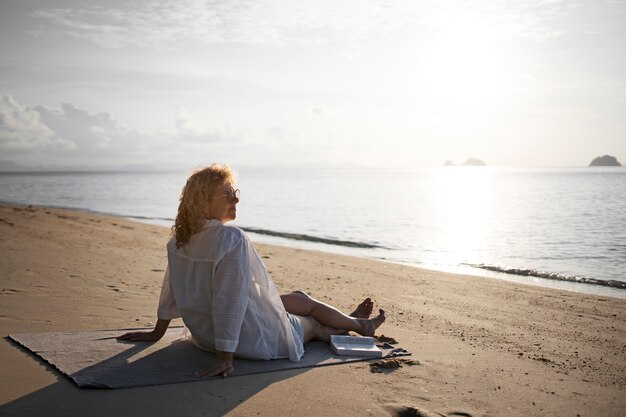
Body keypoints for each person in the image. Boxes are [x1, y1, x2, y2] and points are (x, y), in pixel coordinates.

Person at [118, 164, 385, 378]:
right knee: (312, 322)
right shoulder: (229, 239)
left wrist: (158, 331)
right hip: (249, 341)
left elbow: (171, 287)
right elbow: (229, 300)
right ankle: (357, 325)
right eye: (227, 195)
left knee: (297, 298)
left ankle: (352, 322)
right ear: (202, 203)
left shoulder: (178, 241)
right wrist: (225, 358)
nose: (235, 199)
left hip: (204, 336)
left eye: (236, 192)